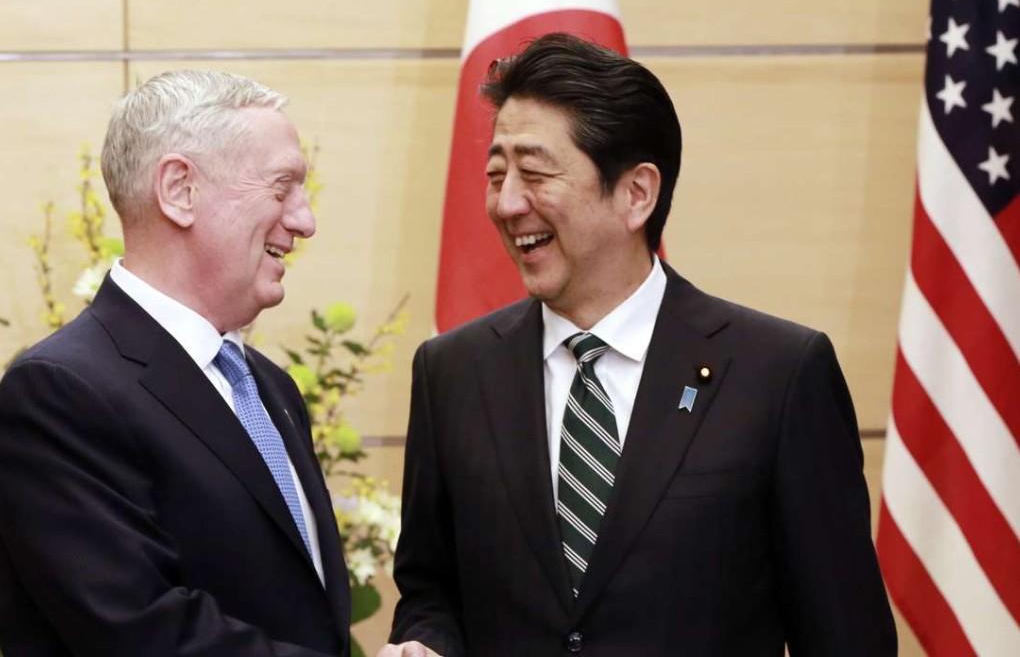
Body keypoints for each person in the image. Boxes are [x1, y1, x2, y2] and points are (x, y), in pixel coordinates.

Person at [381, 34, 896, 656]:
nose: (508, 203)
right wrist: (424, 643)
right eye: (496, 175)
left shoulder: (777, 374)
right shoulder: (453, 371)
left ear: (636, 194)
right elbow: (431, 589)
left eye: (536, 173)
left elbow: (845, 634)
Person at [0, 70, 351, 656]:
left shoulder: (270, 387)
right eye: (282, 186)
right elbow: (141, 631)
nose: (305, 221)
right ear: (180, 190)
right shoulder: (59, 393)